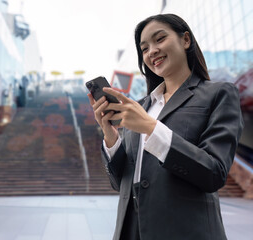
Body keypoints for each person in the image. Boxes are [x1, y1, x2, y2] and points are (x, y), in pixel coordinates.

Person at [88, 14, 243, 240]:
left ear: (186, 40)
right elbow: (119, 183)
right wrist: (111, 136)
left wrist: (152, 129)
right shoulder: (140, 106)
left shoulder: (219, 93)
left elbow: (214, 172)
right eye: (144, 48)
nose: (151, 51)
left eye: (159, 39)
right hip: (131, 231)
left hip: (186, 231)